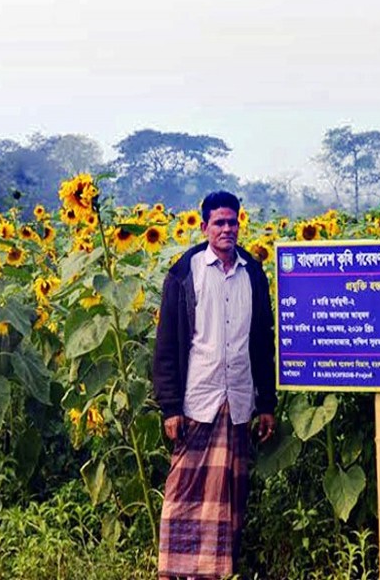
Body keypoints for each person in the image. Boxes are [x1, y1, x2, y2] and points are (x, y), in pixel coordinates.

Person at [152, 190, 277, 579]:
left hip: (238, 400)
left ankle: (218, 571)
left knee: (228, 497)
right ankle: (178, 572)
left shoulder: (253, 273)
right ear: (204, 226)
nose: (227, 229)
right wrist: (170, 407)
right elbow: (167, 345)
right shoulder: (184, 272)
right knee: (185, 494)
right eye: (219, 223)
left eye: (233, 221)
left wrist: (267, 403)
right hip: (197, 401)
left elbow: (262, 341)